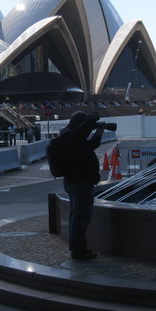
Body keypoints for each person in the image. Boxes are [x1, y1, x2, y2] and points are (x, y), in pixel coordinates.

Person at [59, 111, 104, 260]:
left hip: (74, 181)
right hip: (80, 182)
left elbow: (90, 146)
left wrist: (98, 133)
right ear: (80, 123)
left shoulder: (71, 135)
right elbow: (87, 125)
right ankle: (78, 250)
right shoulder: (73, 134)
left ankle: (79, 248)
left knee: (77, 216)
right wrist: (94, 116)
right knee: (81, 218)